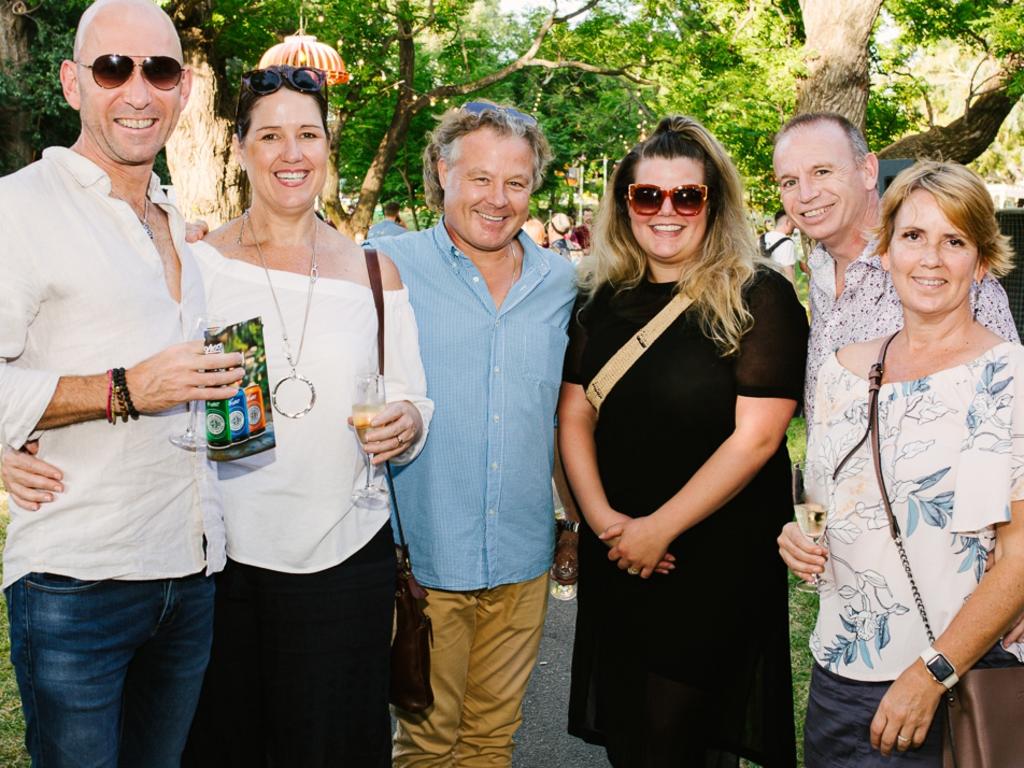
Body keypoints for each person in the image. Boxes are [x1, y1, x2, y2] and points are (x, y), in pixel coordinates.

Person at [4, 64, 433, 767]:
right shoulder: (193, 260)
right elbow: (93, 358)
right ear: (240, 149)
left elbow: (413, 397)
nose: (291, 154)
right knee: (227, 747)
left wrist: (409, 423)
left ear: (330, 145)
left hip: (346, 557)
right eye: (270, 136)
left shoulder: (375, 273)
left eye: (307, 134)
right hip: (223, 562)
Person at [0, 1, 246, 765]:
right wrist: (125, 388)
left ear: (183, 88)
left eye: (160, 70)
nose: (138, 90)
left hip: (191, 569)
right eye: (114, 68)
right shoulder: (19, 209)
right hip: (78, 580)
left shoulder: (174, 218)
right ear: (74, 84)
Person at [558, 115, 805, 767]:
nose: (666, 211)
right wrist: (606, 523)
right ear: (625, 203)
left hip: (711, 558)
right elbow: (574, 414)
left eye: (686, 196)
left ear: (713, 202)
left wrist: (659, 529)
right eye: (648, 195)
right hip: (619, 553)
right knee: (632, 740)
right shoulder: (601, 296)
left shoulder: (761, 296)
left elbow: (757, 440)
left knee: (679, 742)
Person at [777, 160, 1024, 767]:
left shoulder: (1007, 376)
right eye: (914, 237)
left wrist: (931, 673)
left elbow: (1018, 555)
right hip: (839, 671)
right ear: (885, 252)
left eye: (955, 241)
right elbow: (822, 502)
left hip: (955, 677)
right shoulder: (839, 370)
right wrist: (796, 537)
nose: (931, 259)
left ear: (983, 262)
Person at [364, 100, 576, 767]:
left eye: (515, 182)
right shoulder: (380, 268)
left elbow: (569, 416)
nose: (497, 198)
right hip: (423, 560)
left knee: (491, 740)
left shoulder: (562, 283)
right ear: (442, 172)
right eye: (480, 178)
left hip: (522, 554)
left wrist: (571, 521)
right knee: (425, 744)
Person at [771, 112, 1019, 420]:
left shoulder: (939, 274)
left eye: (822, 171)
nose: (806, 194)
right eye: (790, 182)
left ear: (868, 170)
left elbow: (1008, 411)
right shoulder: (821, 269)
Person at [760, 209, 798, 285]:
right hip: (781, 287)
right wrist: (794, 293)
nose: (795, 227)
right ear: (788, 222)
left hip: (763, 287)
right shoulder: (787, 242)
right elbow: (788, 271)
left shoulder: (761, 239)